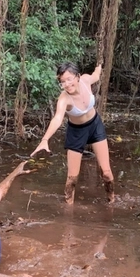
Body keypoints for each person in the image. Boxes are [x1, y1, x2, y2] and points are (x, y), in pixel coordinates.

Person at [30, 62, 115, 204]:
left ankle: (112, 201)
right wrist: (45, 140)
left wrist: (99, 67)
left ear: (78, 77)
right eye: (62, 82)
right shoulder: (64, 99)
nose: (67, 84)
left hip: (95, 125)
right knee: (72, 179)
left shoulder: (86, 81)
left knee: (106, 173)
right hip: (76, 132)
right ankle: (68, 212)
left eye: (69, 79)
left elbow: (95, 76)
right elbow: (57, 118)